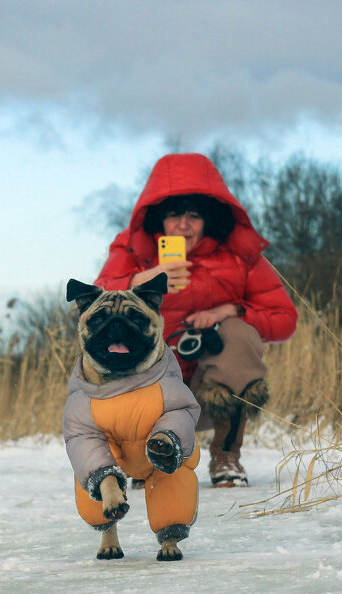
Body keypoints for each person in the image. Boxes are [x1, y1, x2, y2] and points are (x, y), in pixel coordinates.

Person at [95, 152, 298, 487]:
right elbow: (97, 299)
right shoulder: (132, 250)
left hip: (208, 393)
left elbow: (285, 318)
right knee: (127, 340)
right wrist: (139, 281)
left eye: (194, 216)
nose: (184, 225)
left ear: (209, 220)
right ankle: (145, 460)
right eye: (175, 215)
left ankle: (226, 458)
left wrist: (231, 311)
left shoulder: (238, 258)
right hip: (148, 393)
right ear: (160, 219)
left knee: (236, 333)